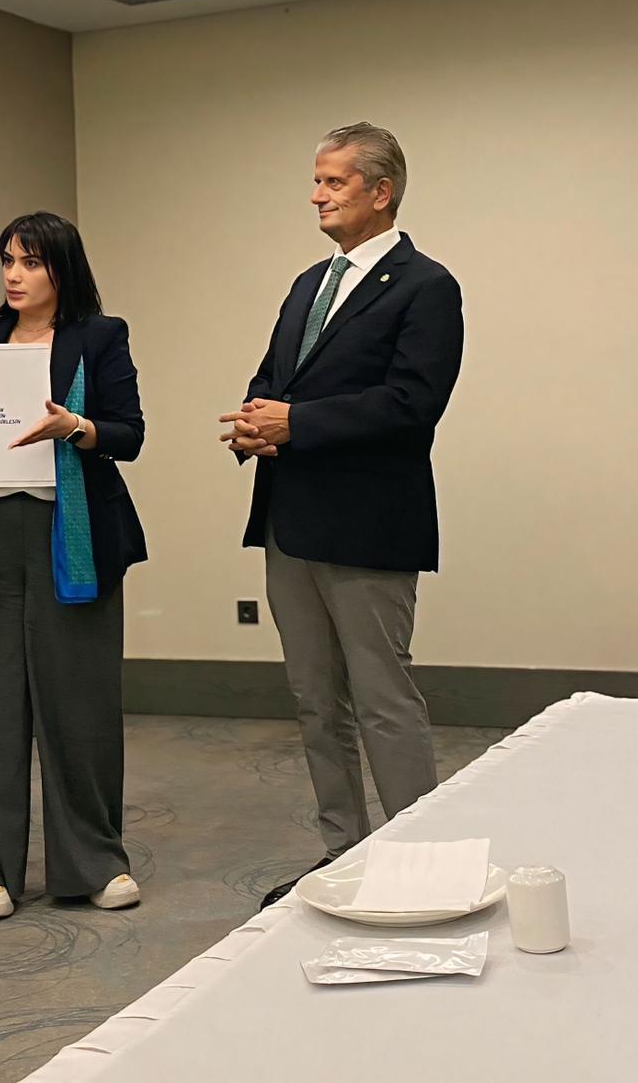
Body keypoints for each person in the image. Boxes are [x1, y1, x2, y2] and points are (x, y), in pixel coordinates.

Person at [219, 123, 463, 910]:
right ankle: (343, 854)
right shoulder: (307, 285)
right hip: (289, 521)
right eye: (317, 181)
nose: (317, 196)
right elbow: (276, 378)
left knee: (384, 701)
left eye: (333, 182)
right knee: (315, 702)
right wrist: (256, 422)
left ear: (380, 192)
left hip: (368, 527)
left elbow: (412, 404)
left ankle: (420, 865)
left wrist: (297, 423)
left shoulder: (427, 287)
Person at [0, 211, 147, 920]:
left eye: (30, 262)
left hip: (73, 536)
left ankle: (94, 862)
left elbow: (128, 434)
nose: (14, 275)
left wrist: (75, 427)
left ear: (62, 268)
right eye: (8, 261)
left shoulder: (101, 336)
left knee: (79, 705)